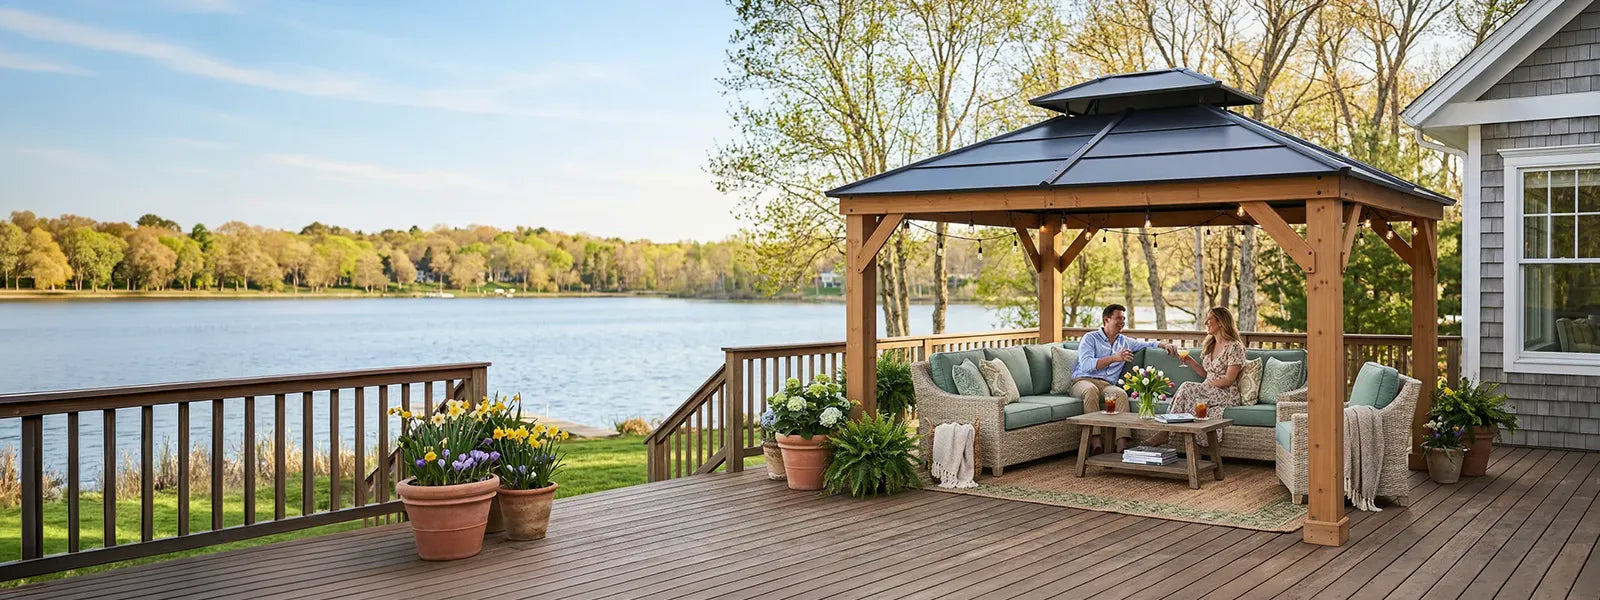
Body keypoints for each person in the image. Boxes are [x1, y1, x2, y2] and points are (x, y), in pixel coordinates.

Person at [1071, 304, 1181, 453]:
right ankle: (1095, 440)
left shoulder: (1124, 341)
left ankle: (1122, 443)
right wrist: (1114, 358)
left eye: (1123, 319)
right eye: (1118, 318)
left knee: (1121, 394)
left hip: (1106, 384)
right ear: (1106, 319)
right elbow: (1086, 365)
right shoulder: (1090, 338)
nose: (1122, 322)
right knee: (1090, 391)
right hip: (1083, 380)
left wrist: (1163, 344)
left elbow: (1147, 343)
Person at [1144, 306, 1245, 448]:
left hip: (1226, 393)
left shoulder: (1235, 347)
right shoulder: (1211, 345)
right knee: (1189, 391)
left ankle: (1166, 433)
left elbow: (1229, 379)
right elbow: (1206, 373)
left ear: (1221, 322)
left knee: (1187, 387)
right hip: (1209, 390)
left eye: (1209, 319)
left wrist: (1206, 385)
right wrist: (1189, 361)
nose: (1206, 323)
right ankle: (1176, 437)